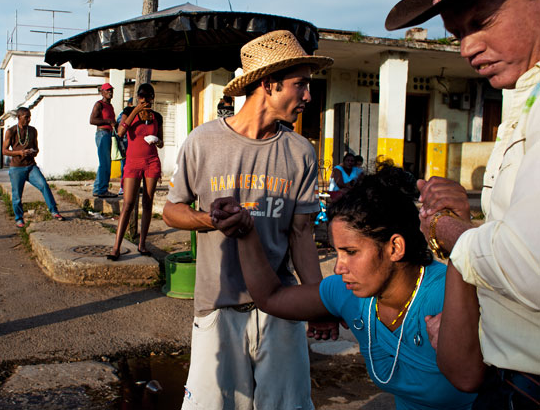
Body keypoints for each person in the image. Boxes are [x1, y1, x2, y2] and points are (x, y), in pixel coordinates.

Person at [385, 0, 540, 407]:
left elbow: (529, 265)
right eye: (457, 33)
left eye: (482, 22)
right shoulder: (526, 93)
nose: (468, 47)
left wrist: (448, 231)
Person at [163, 30, 334, 410]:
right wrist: (210, 219)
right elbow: (171, 210)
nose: (308, 95)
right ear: (268, 83)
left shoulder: (300, 152)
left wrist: (318, 304)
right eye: (300, 84)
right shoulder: (203, 142)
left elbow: (302, 235)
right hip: (218, 306)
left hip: (281, 307)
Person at [210, 167, 477, 410]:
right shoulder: (349, 293)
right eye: (337, 252)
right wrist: (246, 232)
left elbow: (467, 377)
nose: (338, 267)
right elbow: (271, 298)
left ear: (395, 247)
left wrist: (463, 237)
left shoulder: (449, 294)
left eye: (350, 252)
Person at [108, 84, 163, 260]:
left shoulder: (157, 117)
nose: (144, 100)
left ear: (153, 98)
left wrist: (157, 140)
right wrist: (135, 110)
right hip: (132, 162)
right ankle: (116, 247)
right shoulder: (128, 111)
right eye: (141, 96)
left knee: (147, 203)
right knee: (128, 203)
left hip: (151, 162)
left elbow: (161, 141)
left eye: (148, 97)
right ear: (137, 97)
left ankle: (142, 244)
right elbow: (121, 132)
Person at [2, 107, 64, 228]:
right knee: (17, 196)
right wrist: (19, 153)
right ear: (19, 117)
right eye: (26, 117)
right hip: (17, 168)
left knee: (44, 185)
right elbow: (4, 151)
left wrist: (33, 151)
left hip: (31, 166)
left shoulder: (32, 130)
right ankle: (19, 218)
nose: (29, 119)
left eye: (29, 116)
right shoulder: (11, 131)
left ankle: (54, 211)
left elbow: (37, 148)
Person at [89, 82, 117, 198]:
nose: (110, 92)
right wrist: (108, 121)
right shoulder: (99, 104)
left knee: (104, 163)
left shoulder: (110, 106)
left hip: (108, 134)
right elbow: (92, 120)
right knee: (105, 163)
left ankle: (98, 189)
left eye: (111, 90)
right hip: (102, 134)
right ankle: (102, 190)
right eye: (107, 90)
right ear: (102, 92)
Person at [116, 97, 133, 196]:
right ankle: (123, 187)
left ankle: (128, 186)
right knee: (125, 166)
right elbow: (120, 130)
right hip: (124, 144)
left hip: (129, 144)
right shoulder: (123, 115)